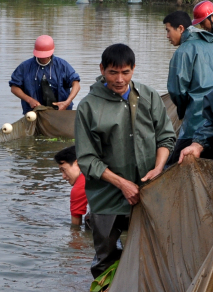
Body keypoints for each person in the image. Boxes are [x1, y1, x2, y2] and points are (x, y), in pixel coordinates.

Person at [75, 43, 176, 278]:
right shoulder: (88, 106)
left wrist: (159, 168)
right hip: (106, 194)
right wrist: (123, 184)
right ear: (102, 69)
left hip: (148, 189)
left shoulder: (149, 96)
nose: (119, 79)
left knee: (151, 250)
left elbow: (166, 137)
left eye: (125, 72)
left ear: (133, 69)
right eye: (113, 72)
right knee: (105, 256)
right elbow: (87, 159)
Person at [164, 10, 213, 164]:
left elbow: (177, 91)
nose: (167, 36)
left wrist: (182, 112)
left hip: (196, 124)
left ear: (180, 28)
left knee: (174, 166)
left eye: (168, 30)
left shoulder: (182, 51)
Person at [9, 35, 81, 114]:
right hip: (34, 113)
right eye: (40, 55)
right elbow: (14, 88)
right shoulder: (25, 67)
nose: (43, 58)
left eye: (46, 55)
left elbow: (76, 84)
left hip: (61, 112)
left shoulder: (62, 65)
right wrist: (29, 100)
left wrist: (67, 102)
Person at [54, 145, 88, 226]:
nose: (63, 176)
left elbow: (75, 228)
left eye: (64, 170)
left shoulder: (80, 186)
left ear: (77, 163)